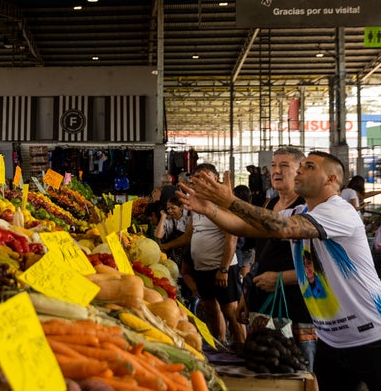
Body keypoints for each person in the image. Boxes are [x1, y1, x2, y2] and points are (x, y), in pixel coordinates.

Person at [180, 151, 381, 390]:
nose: (299, 171)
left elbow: (281, 228)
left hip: (371, 334)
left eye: (309, 166)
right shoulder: (300, 212)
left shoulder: (338, 210)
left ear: (331, 180)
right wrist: (209, 210)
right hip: (332, 339)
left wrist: (229, 201)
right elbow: (246, 226)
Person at [160, 163, 246, 348]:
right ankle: (220, 345)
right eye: (198, 178)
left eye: (207, 177)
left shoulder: (223, 204)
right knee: (210, 308)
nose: (202, 181)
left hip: (223, 268)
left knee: (230, 311)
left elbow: (231, 238)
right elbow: (189, 235)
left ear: (216, 180)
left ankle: (243, 346)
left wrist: (223, 269)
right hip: (203, 268)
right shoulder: (195, 205)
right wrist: (164, 246)